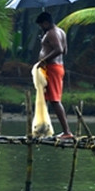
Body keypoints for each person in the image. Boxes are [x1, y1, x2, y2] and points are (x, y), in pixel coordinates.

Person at [34, 11, 73, 139]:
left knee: (55, 100)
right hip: (54, 68)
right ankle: (42, 129)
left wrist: (43, 60)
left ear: (46, 23)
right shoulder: (60, 32)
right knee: (44, 99)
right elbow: (66, 50)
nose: (41, 28)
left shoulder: (52, 33)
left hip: (52, 68)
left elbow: (60, 50)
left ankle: (67, 131)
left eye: (41, 25)